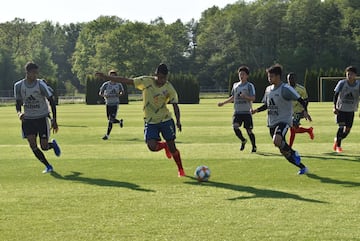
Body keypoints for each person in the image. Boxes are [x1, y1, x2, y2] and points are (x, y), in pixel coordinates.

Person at [95, 63, 185, 177]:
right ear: (155, 74)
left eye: (164, 78)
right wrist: (107, 77)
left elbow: (175, 105)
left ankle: (180, 169)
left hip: (165, 120)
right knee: (152, 146)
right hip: (150, 121)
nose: (162, 80)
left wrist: (178, 121)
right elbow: (126, 80)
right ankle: (164, 146)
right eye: (160, 77)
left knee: (173, 147)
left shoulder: (169, 88)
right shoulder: (146, 81)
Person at [252, 64, 311, 175]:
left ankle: (294, 152)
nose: (269, 79)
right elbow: (267, 105)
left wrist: (305, 111)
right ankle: (302, 167)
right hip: (271, 123)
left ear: (278, 76)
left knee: (277, 140)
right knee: (283, 151)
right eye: (268, 76)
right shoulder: (268, 89)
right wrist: (256, 110)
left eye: (271, 76)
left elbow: (301, 100)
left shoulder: (286, 89)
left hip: (284, 121)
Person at [14, 62, 61, 174]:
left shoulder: (40, 84)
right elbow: (18, 102)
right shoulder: (18, 86)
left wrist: (54, 119)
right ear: (27, 72)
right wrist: (19, 113)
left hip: (41, 118)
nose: (35, 75)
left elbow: (51, 101)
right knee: (32, 144)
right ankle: (48, 166)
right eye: (33, 73)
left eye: (36, 73)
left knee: (44, 146)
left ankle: (52, 145)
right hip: (28, 120)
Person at [218, 65, 257, 152]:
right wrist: (223, 103)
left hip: (246, 112)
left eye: (243, 74)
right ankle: (243, 140)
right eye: (240, 74)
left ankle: (254, 146)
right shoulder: (235, 85)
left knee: (249, 130)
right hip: (238, 112)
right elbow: (233, 97)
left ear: (247, 75)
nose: (241, 76)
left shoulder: (249, 86)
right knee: (235, 127)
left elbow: (253, 98)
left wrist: (245, 97)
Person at [332, 66, 360, 153]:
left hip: (351, 110)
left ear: (355, 75)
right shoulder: (342, 83)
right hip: (341, 109)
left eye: (351, 74)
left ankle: (337, 140)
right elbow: (336, 95)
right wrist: (334, 107)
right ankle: (338, 147)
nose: (349, 76)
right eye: (348, 74)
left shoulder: (358, 84)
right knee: (341, 127)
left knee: (347, 130)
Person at [287, 72, 314, 147]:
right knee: (294, 129)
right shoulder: (285, 88)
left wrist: (305, 111)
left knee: (292, 130)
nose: (290, 80)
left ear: (295, 79)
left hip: (297, 111)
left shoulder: (301, 89)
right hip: (287, 112)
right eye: (289, 79)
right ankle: (308, 130)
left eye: (291, 79)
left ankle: (289, 147)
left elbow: (306, 100)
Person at [99, 70, 125, 140]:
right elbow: (100, 93)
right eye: (111, 76)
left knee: (111, 119)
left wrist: (119, 94)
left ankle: (107, 135)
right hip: (108, 103)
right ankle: (119, 121)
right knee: (109, 119)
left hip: (115, 103)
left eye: (113, 76)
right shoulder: (106, 84)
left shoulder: (118, 84)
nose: (112, 77)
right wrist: (105, 95)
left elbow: (122, 92)